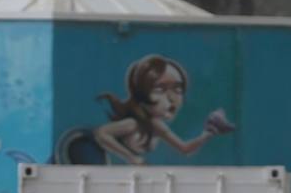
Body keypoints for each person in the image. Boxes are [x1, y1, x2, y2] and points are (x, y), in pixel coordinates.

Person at [91, 55, 235, 164]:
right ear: (141, 92)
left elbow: (184, 149)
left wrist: (207, 134)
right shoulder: (132, 124)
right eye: (160, 89)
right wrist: (132, 158)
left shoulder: (155, 125)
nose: (172, 98)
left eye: (177, 89)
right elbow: (101, 133)